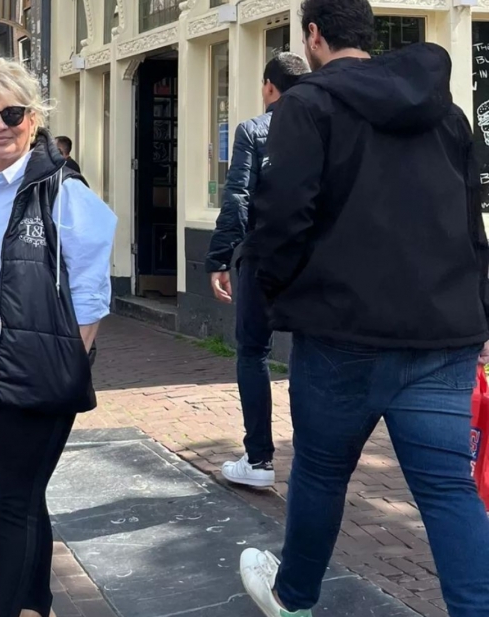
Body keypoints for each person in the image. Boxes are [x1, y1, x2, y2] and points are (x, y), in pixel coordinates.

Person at [238, 1, 489, 615]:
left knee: (321, 472)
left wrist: (273, 294)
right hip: (441, 334)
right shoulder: (448, 113)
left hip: (340, 333)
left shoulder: (305, 106)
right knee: (448, 489)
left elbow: (280, 219)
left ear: (313, 35)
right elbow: (470, 222)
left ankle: (293, 598)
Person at [0, 58, 116, 617]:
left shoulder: (61, 190)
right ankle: (36, 604)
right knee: (24, 495)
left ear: (33, 119)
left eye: (11, 114)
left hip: (38, 378)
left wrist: (65, 365)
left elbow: (91, 294)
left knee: (11, 502)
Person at [204, 53, 310, 489]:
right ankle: (311, 458)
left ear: (269, 87)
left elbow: (238, 196)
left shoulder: (252, 130)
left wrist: (219, 257)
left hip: (262, 256)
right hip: (311, 260)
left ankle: (260, 459)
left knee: (252, 352)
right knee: (308, 352)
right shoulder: (323, 126)